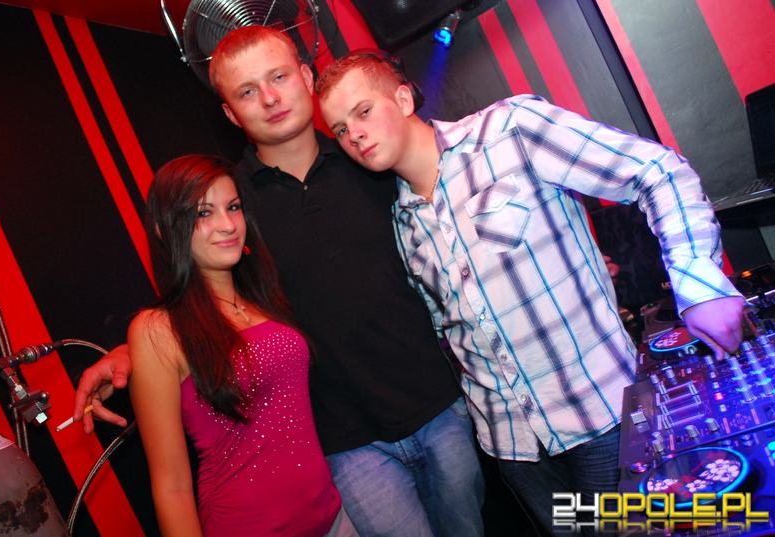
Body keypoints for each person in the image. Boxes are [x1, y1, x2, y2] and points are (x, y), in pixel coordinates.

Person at [72, 27, 485, 537]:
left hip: (439, 405)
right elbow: (212, 304)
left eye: (279, 77)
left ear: (307, 78)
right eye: (248, 91)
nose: (269, 98)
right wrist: (132, 354)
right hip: (344, 443)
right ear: (230, 114)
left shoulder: (371, 158)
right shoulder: (232, 206)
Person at [315, 52, 746, 535]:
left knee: (642, 530)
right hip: (515, 450)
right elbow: (449, 331)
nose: (354, 134)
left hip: (604, 418)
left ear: (402, 98)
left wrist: (698, 282)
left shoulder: (510, 131)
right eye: (339, 129)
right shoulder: (401, 221)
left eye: (363, 111)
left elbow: (656, 170)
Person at [127, 154, 351, 536]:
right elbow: (171, 486)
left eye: (233, 207)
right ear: (166, 229)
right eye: (204, 213)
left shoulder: (263, 298)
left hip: (333, 519)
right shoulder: (158, 330)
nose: (228, 225)